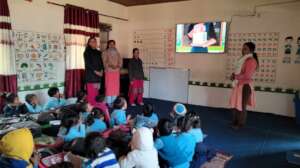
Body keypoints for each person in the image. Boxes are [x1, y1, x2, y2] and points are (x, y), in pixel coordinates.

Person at [230, 42, 259, 129]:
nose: (243, 50)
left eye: (245, 48)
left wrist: (235, 76)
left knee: (241, 105)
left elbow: (247, 75)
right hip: (238, 85)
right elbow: (239, 71)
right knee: (235, 104)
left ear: (251, 50)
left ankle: (240, 124)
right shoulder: (243, 59)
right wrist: (234, 75)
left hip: (245, 86)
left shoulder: (251, 61)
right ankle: (235, 122)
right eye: (242, 48)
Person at [84, 37, 104, 105]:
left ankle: (95, 108)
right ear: (89, 43)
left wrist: (101, 71)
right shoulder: (87, 52)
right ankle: (90, 109)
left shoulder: (99, 52)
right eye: (92, 41)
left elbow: (101, 63)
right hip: (91, 76)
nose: (94, 43)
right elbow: (88, 64)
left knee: (96, 93)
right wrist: (96, 72)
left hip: (98, 77)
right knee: (91, 95)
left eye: (95, 41)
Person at [102, 40, 123, 107]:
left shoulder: (117, 52)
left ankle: (114, 102)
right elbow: (104, 61)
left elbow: (120, 61)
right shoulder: (105, 52)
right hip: (109, 72)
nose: (112, 45)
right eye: (110, 44)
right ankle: (108, 102)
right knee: (109, 87)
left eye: (113, 44)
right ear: (108, 45)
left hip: (116, 72)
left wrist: (118, 66)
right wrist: (111, 65)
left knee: (115, 88)